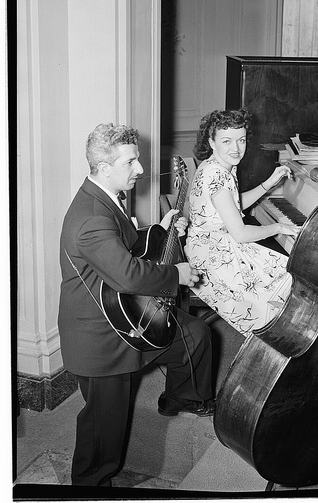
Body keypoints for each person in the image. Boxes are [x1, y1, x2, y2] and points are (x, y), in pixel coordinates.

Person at [58, 123, 214, 487]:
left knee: (194, 334)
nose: (140, 169)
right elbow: (128, 274)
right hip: (101, 337)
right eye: (131, 162)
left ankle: (182, 398)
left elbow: (125, 245)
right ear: (104, 166)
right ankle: (89, 488)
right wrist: (176, 275)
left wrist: (160, 227)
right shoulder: (91, 218)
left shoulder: (105, 197)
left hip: (127, 313)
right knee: (104, 432)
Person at [184, 108, 300, 335]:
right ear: (212, 141)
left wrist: (270, 183)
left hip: (208, 244)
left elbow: (232, 206)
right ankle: (275, 340)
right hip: (213, 256)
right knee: (285, 288)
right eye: (227, 141)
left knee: (287, 275)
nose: (236, 149)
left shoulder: (215, 165)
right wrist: (277, 227)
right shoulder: (217, 175)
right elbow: (241, 234)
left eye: (241, 140)